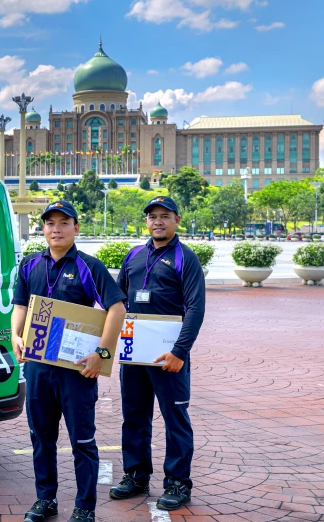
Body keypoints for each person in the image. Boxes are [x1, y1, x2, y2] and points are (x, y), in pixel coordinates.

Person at [12, 200, 127, 522]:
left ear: (76, 227)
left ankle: (84, 506)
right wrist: (15, 335)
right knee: (41, 437)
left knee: (82, 440)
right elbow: (19, 305)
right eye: (50, 223)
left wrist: (102, 354)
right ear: (43, 228)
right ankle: (45, 499)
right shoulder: (30, 266)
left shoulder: (90, 266)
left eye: (64, 223)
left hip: (76, 371)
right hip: (37, 368)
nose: (56, 229)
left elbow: (116, 308)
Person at [109, 195, 206, 511]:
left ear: (177, 220)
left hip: (168, 356)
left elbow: (195, 307)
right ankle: (136, 475)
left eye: (165, 215)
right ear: (146, 221)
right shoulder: (134, 256)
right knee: (134, 415)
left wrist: (180, 351)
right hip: (134, 352)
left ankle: (178, 483)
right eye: (152, 216)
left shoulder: (184, 258)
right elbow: (117, 300)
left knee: (175, 417)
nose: (158, 221)